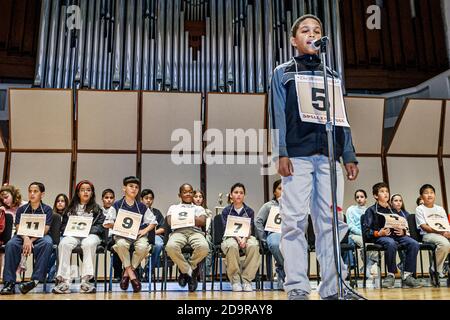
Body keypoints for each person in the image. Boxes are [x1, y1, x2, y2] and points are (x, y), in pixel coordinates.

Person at [268, 14, 359, 300]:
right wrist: (280, 152)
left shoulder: (331, 75)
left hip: (329, 155)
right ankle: (296, 286)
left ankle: (334, 287)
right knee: (294, 221)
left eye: (317, 30)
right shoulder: (282, 72)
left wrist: (348, 153)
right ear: (294, 40)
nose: (312, 34)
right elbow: (277, 114)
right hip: (297, 155)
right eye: (305, 31)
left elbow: (341, 117)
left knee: (331, 222)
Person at [103, 176, 157, 293]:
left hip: (137, 236)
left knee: (143, 247)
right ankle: (133, 276)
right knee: (121, 244)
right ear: (124, 188)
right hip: (122, 236)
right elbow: (106, 223)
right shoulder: (117, 205)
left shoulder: (141, 206)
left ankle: (126, 273)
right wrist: (117, 226)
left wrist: (144, 230)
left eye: (136, 187)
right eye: (131, 186)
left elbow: (153, 222)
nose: (134, 189)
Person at [362, 183, 421, 289]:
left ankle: (407, 275)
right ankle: (391, 275)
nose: (386, 193)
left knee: (414, 243)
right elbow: (367, 231)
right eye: (382, 191)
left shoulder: (394, 211)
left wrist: (403, 231)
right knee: (391, 243)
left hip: (397, 236)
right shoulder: (371, 210)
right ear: (376, 196)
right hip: (381, 237)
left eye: (387, 191)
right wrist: (378, 233)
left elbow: (403, 226)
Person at [0, 182, 53, 295]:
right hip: (23, 236)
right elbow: (19, 228)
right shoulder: (22, 209)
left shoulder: (47, 209)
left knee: (47, 243)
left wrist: (31, 240)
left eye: (35, 191)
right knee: (11, 244)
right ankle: (9, 283)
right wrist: (26, 239)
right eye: (30, 191)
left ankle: (34, 281)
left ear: (42, 194)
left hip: (39, 236)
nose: (32, 194)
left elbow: (46, 229)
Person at [52, 181, 105, 294]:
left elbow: (100, 227)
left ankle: (86, 281)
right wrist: (71, 230)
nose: (85, 192)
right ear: (78, 193)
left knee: (88, 243)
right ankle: (64, 282)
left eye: (88, 190)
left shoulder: (98, 209)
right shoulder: (70, 209)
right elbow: (63, 226)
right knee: (64, 243)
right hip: (73, 235)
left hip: (91, 235)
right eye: (82, 190)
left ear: (92, 193)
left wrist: (86, 231)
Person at [165, 183, 209, 292]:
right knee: (170, 247)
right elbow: (170, 221)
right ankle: (190, 272)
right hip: (178, 232)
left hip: (195, 232)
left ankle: (185, 271)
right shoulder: (174, 207)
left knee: (204, 247)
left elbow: (202, 221)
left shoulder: (198, 208)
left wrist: (182, 217)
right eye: (185, 192)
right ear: (179, 195)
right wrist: (193, 219)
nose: (188, 194)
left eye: (190, 192)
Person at [221, 183, 260, 292]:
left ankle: (247, 280)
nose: (238, 195)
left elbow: (250, 228)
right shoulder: (226, 211)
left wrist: (244, 239)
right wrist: (238, 239)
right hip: (230, 237)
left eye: (241, 193)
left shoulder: (249, 211)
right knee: (232, 245)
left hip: (246, 237)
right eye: (236, 192)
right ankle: (236, 281)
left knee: (253, 245)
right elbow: (227, 229)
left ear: (244, 195)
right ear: (231, 195)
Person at [415, 184, 450, 285]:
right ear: (421, 197)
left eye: (431, 193)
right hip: (428, 235)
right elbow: (423, 226)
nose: (429, 195)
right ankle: (434, 269)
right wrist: (440, 232)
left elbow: (446, 224)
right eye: (426, 193)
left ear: (435, 195)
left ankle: (442, 268)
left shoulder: (440, 209)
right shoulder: (420, 209)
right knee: (445, 244)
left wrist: (447, 232)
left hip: (442, 233)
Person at [254, 179, 285, 290]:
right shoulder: (268, 206)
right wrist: (264, 239)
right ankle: (285, 273)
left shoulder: (293, 205)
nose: (283, 191)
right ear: (274, 192)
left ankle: (288, 274)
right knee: (276, 244)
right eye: (280, 189)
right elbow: (258, 221)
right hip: (274, 233)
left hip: (289, 234)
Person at [346, 189, 378, 279]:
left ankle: (366, 267)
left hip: (367, 235)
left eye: (362, 197)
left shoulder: (370, 210)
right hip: (355, 235)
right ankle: (367, 268)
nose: (359, 199)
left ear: (366, 198)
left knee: (379, 244)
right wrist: (364, 234)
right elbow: (350, 226)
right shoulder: (351, 209)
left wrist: (369, 234)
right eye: (357, 197)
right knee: (365, 244)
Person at [140, 189, 165, 279]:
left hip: (155, 235)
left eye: (151, 198)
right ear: (141, 199)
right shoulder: (137, 211)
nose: (148, 200)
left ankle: (148, 269)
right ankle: (137, 269)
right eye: (146, 198)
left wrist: (151, 232)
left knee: (159, 245)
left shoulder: (156, 212)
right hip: (140, 236)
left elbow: (163, 228)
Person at [46, 193, 69, 282]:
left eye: (62, 201)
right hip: (52, 237)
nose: (60, 203)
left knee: (59, 246)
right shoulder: (51, 214)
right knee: (49, 246)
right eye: (58, 201)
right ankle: (50, 274)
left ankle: (47, 271)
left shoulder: (69, 215)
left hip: (64, 237)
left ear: (66, 203)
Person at [101, 188, 122, 280]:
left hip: (113, 237)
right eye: (106, 197)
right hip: (101, 237)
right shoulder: (98, 211)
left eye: (111, 198)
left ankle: (118, 275)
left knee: (118, 246)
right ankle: (89, 275)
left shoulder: (119, 211)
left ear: (114, 199)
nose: (109, 200)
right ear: (102, 199)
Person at [192, 189, 214, 277]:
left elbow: (208, 229)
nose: (198, 199)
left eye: (200, 197)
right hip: (191, 234)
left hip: (204, 234)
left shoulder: (208, 212)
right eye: (196, 197)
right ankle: (189, 273)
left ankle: (206, 274)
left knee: (208, 240)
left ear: (203, 199)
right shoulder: (189, 210)